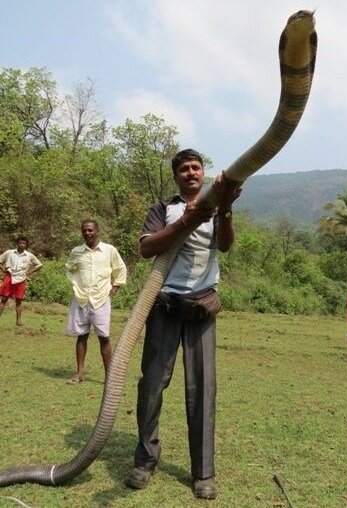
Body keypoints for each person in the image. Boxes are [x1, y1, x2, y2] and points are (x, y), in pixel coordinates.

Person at [124, 149, 241, 500]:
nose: (191, 173)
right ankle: (145, 461)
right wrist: (185, 222)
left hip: (202, 309)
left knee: (202, 391)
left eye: (196, 167)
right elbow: (147, 249)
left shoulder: (218, 206)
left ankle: (203, 474)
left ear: (204, 173)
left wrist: (226, 209)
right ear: (176, 176)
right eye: (184, 169)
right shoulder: (163, 210)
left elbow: (225, 245)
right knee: (151, 388)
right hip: (164, 307)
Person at [65, 219, 127, 385]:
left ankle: (109, 376)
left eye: (90, 230)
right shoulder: (77, 252)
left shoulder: (109, 250)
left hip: (101, 299)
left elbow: (120, 269)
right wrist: (75, 285)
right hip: (81, 299)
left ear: (97, 231)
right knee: (81, 336)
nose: (87, 233)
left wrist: (115, 288)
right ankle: (79, 373)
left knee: (104, 338)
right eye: (84, 230)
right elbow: (69, 269)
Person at [0, 236, 42, 326]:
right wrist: (3, 269)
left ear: (26, 245)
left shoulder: (29, 255)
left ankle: (18, 321)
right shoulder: (9, 253)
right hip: (9, 276)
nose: (22, 245)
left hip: (20, 278)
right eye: (20, 243)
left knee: (19, 300)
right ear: (17, 243)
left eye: (24, 243)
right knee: (3, 299)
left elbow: (39, 265)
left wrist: (28, 273)